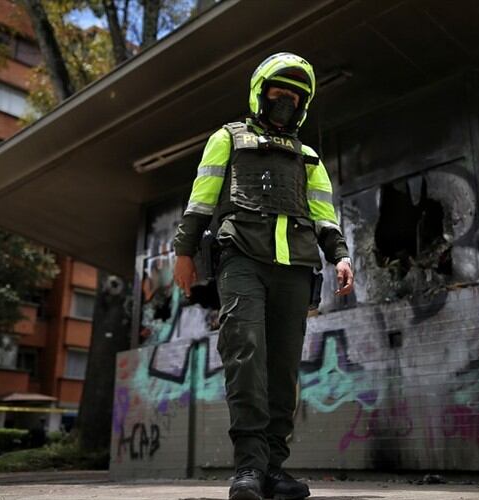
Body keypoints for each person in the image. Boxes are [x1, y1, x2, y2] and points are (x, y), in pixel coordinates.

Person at [173, 52, 354, 500]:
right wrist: (184, 251)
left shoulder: (308, 157)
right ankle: (249, 469)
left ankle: (274, 469)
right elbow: (200, 200)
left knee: (283, 369)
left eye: (295, 97)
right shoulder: (227, 139)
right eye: (279, 94)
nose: (286, 102)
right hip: (241, 261)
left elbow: (324, 215)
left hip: (295, 268)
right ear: (260, 94)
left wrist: (341, 256)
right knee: (246, 354)